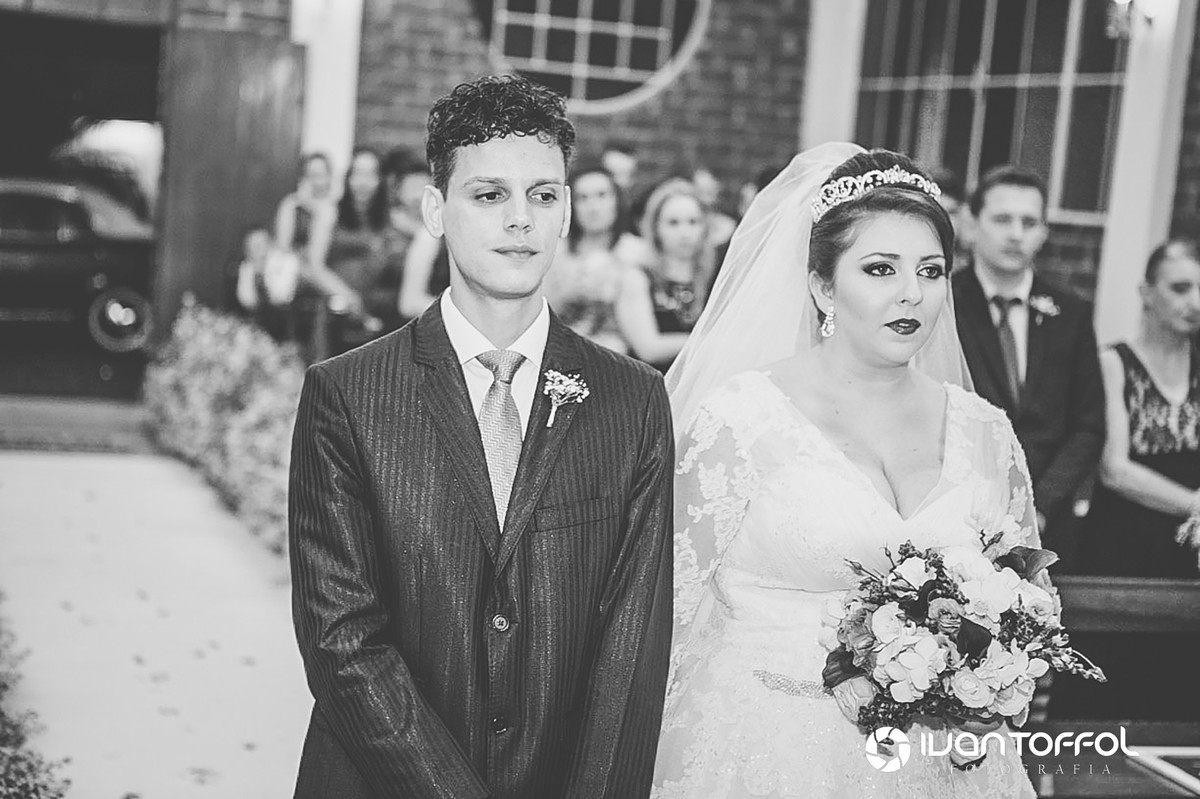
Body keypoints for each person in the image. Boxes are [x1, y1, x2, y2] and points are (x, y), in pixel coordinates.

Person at [289, 74, 675, 799]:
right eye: (490, 194)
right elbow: (341, 636)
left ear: (567, 212)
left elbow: (632, 646)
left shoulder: (634, 401)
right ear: (435, 210)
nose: (520, 220)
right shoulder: (347, 394)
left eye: (543, 195)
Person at [652, 145, 1039, 796]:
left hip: (942, 754)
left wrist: (995, 670)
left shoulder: (985, 430)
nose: (911, 292)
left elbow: (1025, 593)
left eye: (931, 270)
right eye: (880, 268)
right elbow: (668, 609)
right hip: (765, 746)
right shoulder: (742, 418)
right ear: (822, 286)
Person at [1053, 239, 1200, 722]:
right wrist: (1195, 504)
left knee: (1179, 688)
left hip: (1191, 550)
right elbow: (1115, 469)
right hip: (1125, 543)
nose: (1194, 302)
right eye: (1180, 287)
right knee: (1111, 685)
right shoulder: (1114, 361)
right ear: (1146, 291)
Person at [952, 165, 1104, 569]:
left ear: (1043, 232)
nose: (1016, 233)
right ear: (972, 223)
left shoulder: (1071, 313)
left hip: (1050, 524)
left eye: (1029, 222)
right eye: (1003, 219)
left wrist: (1039, 504)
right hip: (962, 518)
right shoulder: (945, 302)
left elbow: (1088, 424)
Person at [542, 163, 648, 353]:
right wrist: (569, 293)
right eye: (582, 198)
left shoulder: (639, 252)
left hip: (621, 355)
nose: (593, 207)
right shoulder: (555, 251)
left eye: (602, 195)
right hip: (560, 351)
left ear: (617, 200)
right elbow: (533, 314)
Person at [615, 178, 713, 371]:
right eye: (673, 223)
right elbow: (648, 348)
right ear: (655, 227)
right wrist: (709, 341)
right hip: (653, 382)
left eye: (693, 222)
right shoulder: (638, 277)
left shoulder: (713, 276)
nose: (685, 232)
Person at [324, 147, 390, 349]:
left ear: (380, 180)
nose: (363, 182)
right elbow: (314, 265)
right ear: (348, 177)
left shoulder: (388, 220)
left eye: (371, 174)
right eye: (357, 173)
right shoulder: (330, 212)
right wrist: (350, 298)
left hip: (373, 313)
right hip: (335, 307)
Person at [382, 146, 449, 322]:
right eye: (411, 187)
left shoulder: (438, 230)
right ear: (397, 190)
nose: (418, 195)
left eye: (423, 187)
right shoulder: (385, 227)